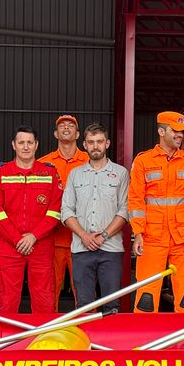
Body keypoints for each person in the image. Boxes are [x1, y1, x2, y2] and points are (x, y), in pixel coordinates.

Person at [128, 111, 184, 312]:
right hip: (152, 237)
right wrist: (137, 233)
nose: (180, 135)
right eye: (176, 131)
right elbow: (136, 200)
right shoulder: (144, 161)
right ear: (161, 131)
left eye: (182, 131)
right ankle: (145, 341)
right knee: (146, 297)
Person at [0, 127, 63, 315]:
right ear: (14, 145)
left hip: (41, 246)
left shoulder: (50, 174)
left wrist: (33, 237)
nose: (26, 147)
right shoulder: (1, 173)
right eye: (21, 142)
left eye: (30, 142)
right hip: (8, 247)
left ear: (37, 145)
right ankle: (9, 342)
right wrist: (17, 239)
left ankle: (43, 342)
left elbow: (55, 211)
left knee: (44, 300)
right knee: (7, 300)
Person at [60, 124, 129, 309]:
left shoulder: (121, 173)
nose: (95, 146)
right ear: (84, 144)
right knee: (83, 305)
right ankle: (86, 338)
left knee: (111, 304)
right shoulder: (75, 175)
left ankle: (109, 339)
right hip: (81, 250)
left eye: (99, 141)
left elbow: (124, 209)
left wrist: (104, 236)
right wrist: (84, 235)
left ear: (107, 143)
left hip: (111, 250)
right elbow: (66, 210)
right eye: (91, 142)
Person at [41, 113, 89, 307]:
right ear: (55, 133)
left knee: (84, 291)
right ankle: (48, 332)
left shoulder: (89, 161)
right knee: (49, 290)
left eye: (71, 125)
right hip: (52, 239)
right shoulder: (44, 164)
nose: (66, 127)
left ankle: (86, 330)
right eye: (62, 125)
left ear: (77, 134)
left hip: (83, 239)